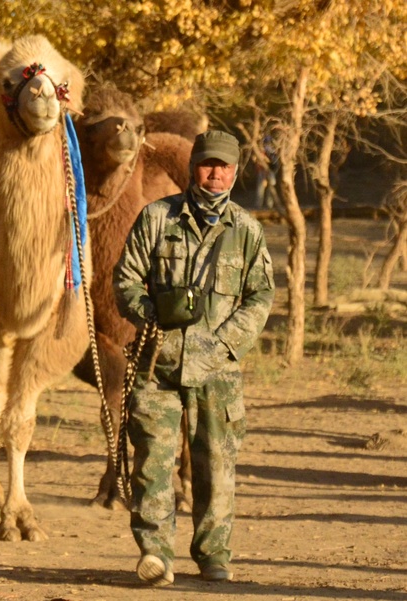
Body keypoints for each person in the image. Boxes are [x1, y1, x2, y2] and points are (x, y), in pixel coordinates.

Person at [113, 130, 275, 586]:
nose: (215, 172)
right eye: (207, 164)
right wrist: (151, 315)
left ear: (235, 172)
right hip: (157, 365)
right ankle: (155, 553)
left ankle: (212, 555)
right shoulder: (156, 219)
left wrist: (223, 344)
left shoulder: (245, 230)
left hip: (218, 370)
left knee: (215, 466)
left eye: (224, 166)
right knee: (153, 463)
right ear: (192, 167)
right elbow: (124, 279)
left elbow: (260, 296)